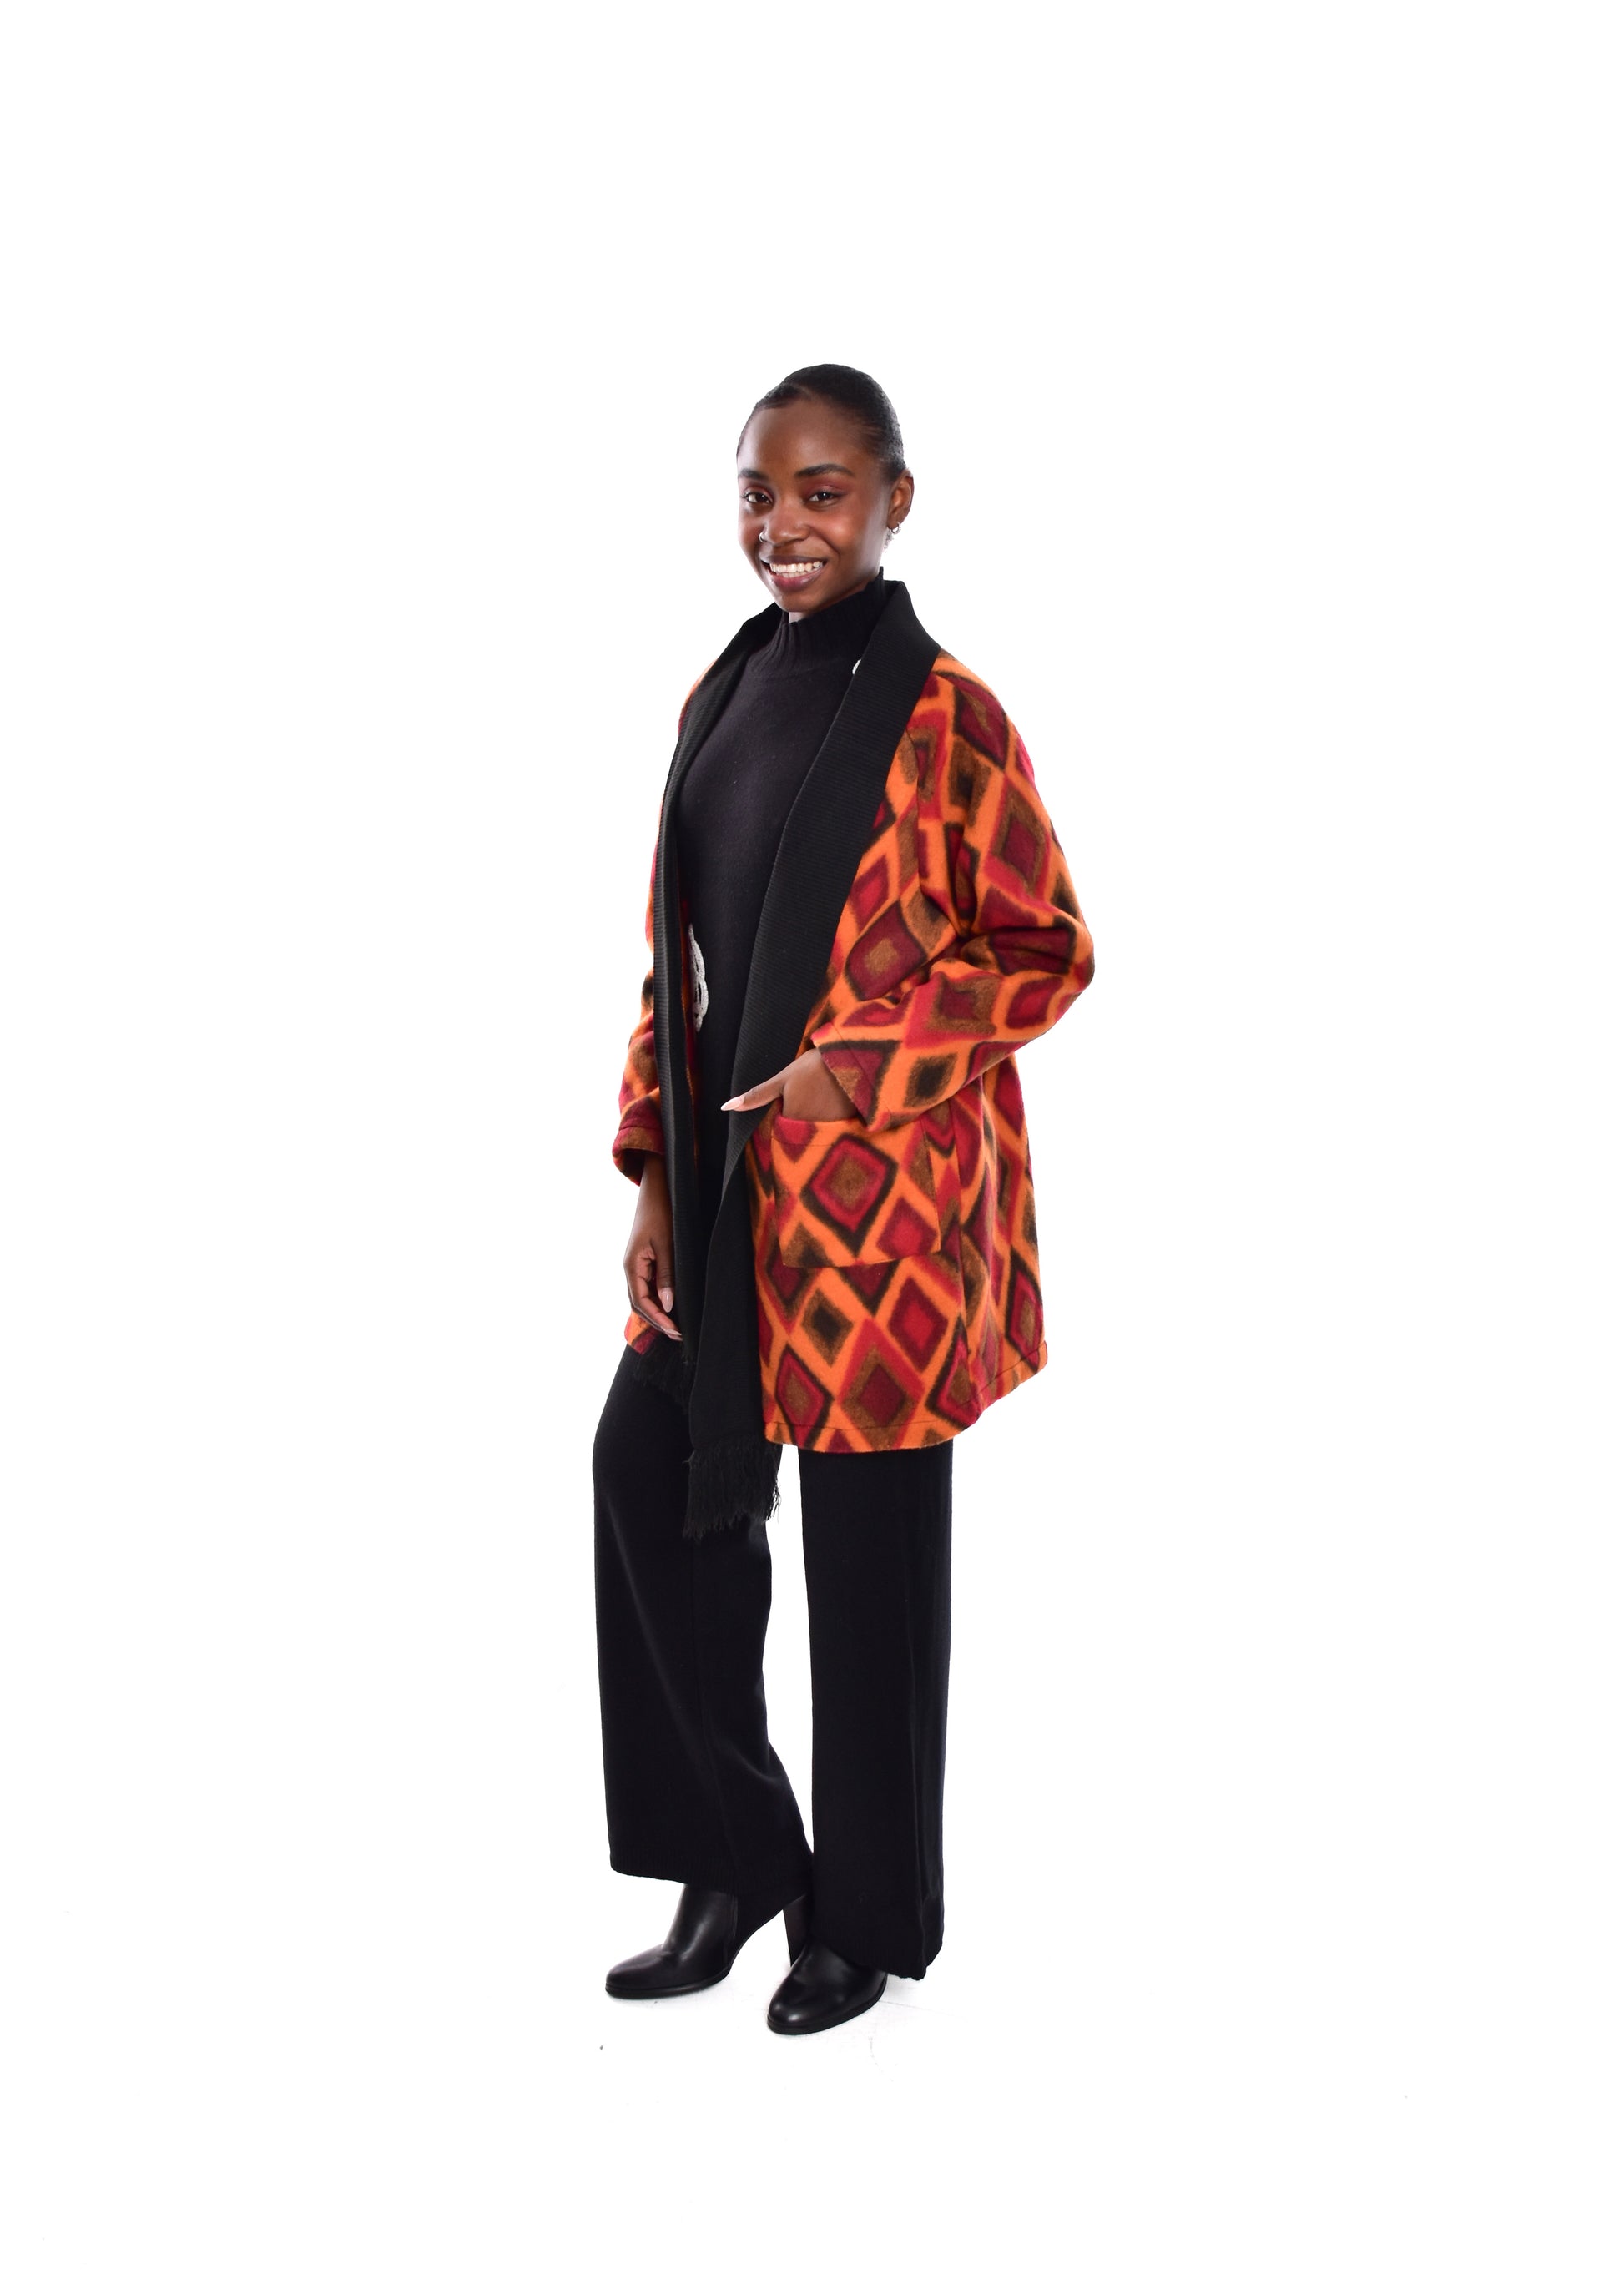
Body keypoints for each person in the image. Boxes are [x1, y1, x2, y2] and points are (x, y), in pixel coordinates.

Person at [593, 365, 1094, 2035]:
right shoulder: (721, 691)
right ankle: (732, 1856)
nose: (782, 525)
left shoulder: (949, 716)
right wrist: (653, 1170)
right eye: (757, 492)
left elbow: (1041, 946)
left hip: (885, 1226)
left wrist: (851, 1068)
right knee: (648, 1479)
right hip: (723, 1202)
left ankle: (863, 1921)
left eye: (820, 491)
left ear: (894, 500)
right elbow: (675, 966)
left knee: (869, 1570)